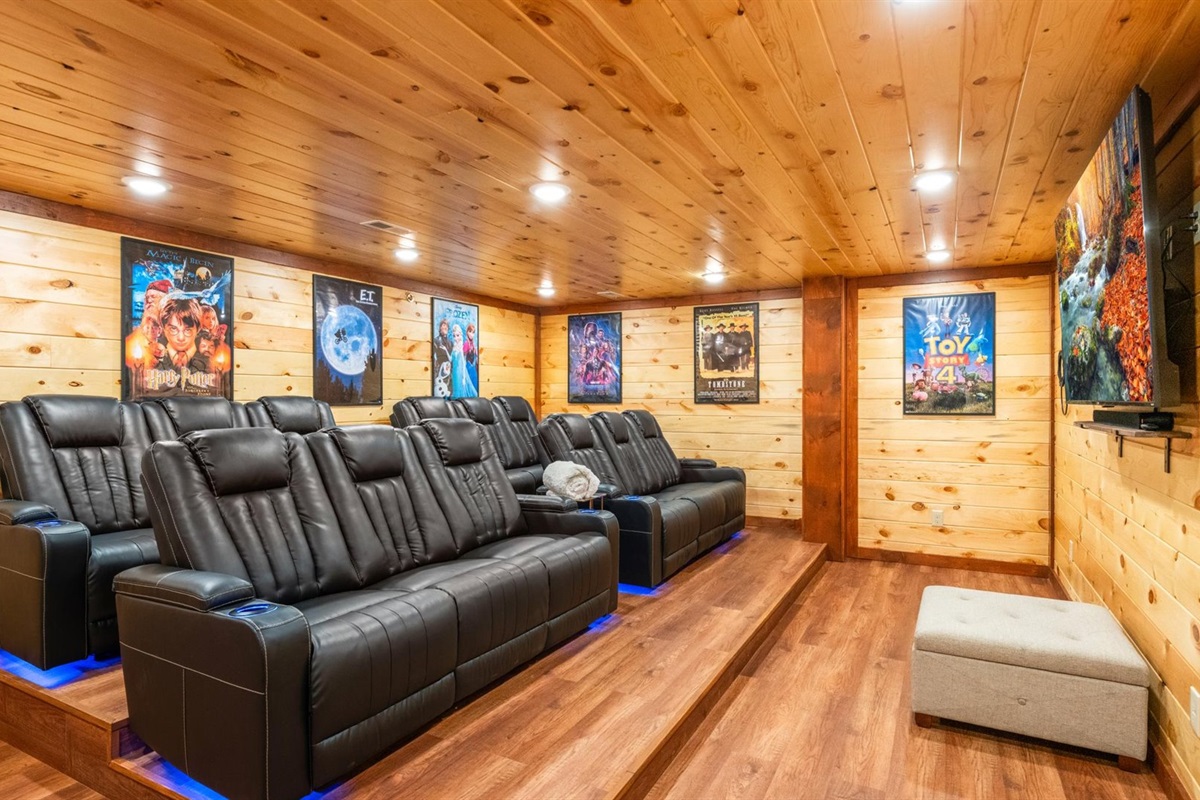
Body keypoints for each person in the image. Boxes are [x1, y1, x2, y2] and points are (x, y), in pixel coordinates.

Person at [158, 296, 202, 371]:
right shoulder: (152, 358)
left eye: (187, 330)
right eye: (173, 329)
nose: (181, 338)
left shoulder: (209, 358)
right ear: (163, 328)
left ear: (198, 329)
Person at [449, 324, 477, 397]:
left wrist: (464, 377)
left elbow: (463, 362)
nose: (456, 338)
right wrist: (445, 350)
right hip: (454, 371)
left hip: (460, 371)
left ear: (460, 335)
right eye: (454, 336)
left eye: (457, 335)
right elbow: (450, 359)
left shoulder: (461, 348)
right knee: (455, 388)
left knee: (459, 389)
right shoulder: (454, 347)